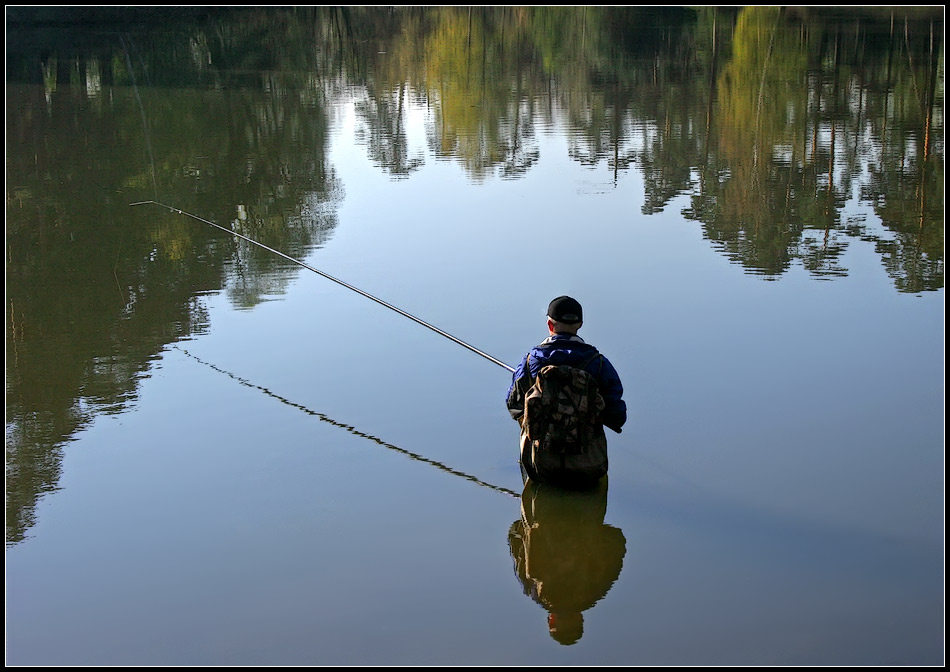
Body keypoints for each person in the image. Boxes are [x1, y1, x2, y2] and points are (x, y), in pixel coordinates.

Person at [505, 296, 626, 487]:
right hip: (589, 465)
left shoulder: (530, 362)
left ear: (549, 325)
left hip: (540, 465)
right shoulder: (599, 363)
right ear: (580, 324)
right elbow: (618, 417)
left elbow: (513, 406)